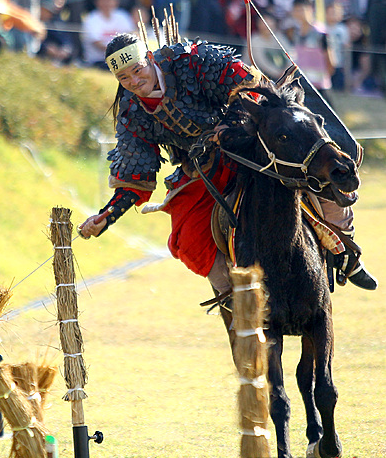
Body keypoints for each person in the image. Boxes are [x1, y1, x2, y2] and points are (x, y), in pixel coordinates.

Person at [78, 29, 376, 297]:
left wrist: (228, 127)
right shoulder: (131, 113)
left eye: (137, 70)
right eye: (124, 78)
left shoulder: (191, 59)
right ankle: (234, 296)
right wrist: (106, 216)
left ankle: (346, 253)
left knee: (318, 166)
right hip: (203, 166)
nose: (134, 82)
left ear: (149, 57)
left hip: (252, 137)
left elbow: (245, 82)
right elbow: (134, 171)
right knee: (187, 236)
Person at [82, 0, 134, 69]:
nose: (107, 3)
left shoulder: (122, 16)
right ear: (97, 2)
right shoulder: (91, 19)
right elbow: (96, 43)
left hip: (123, 58)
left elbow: (132, 35)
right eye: (104, 0)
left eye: (110, 0)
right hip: (99, 60)